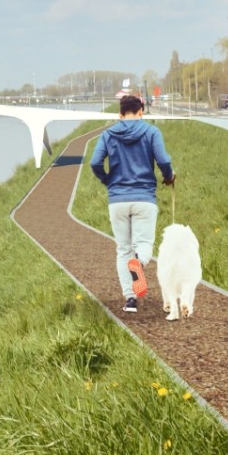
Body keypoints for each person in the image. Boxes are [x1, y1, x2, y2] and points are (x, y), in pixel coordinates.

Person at [88, 94, 175, 313]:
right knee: (143, 244)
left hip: (117, 199)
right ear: (140, 112)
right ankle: (140, 263)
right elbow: (163, 160)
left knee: (123, 249)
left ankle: (130, 300)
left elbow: (95, 162)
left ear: (120, 114)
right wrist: (168, 176)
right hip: (144, 197)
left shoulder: (107, 134)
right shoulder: (152, 131)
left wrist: (108, 180)